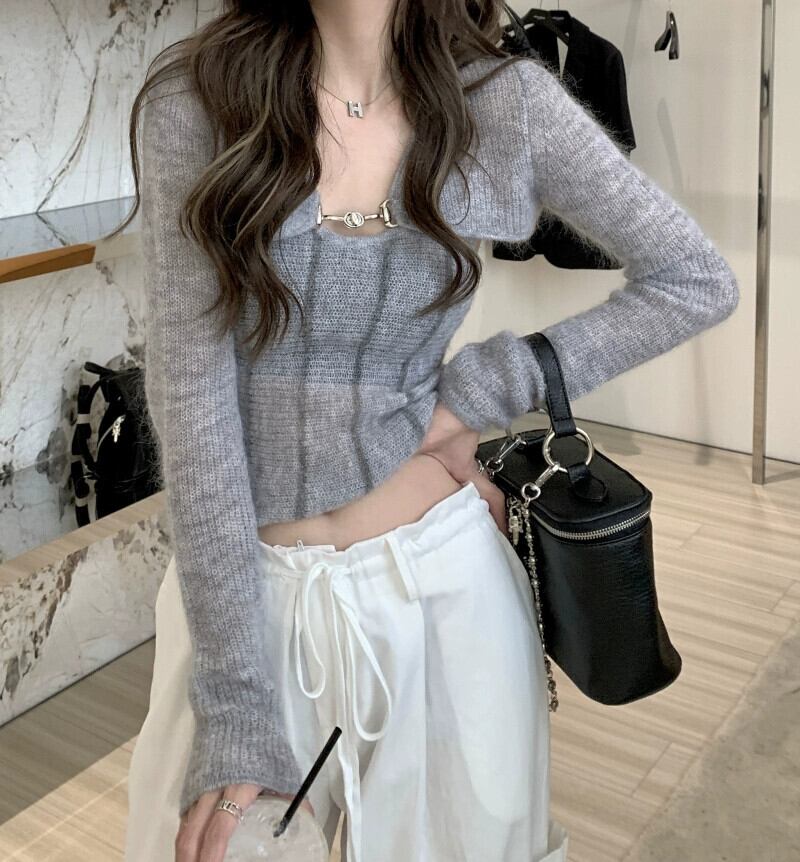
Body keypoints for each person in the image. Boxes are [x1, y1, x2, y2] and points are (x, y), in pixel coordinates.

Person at [120, 1, 739, 860]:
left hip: (444, 594)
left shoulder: (504, 100)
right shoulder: (195, 100)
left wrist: (471, 396)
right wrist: (233, 705)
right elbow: (192, 401)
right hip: (241, 615)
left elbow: (696, 279)